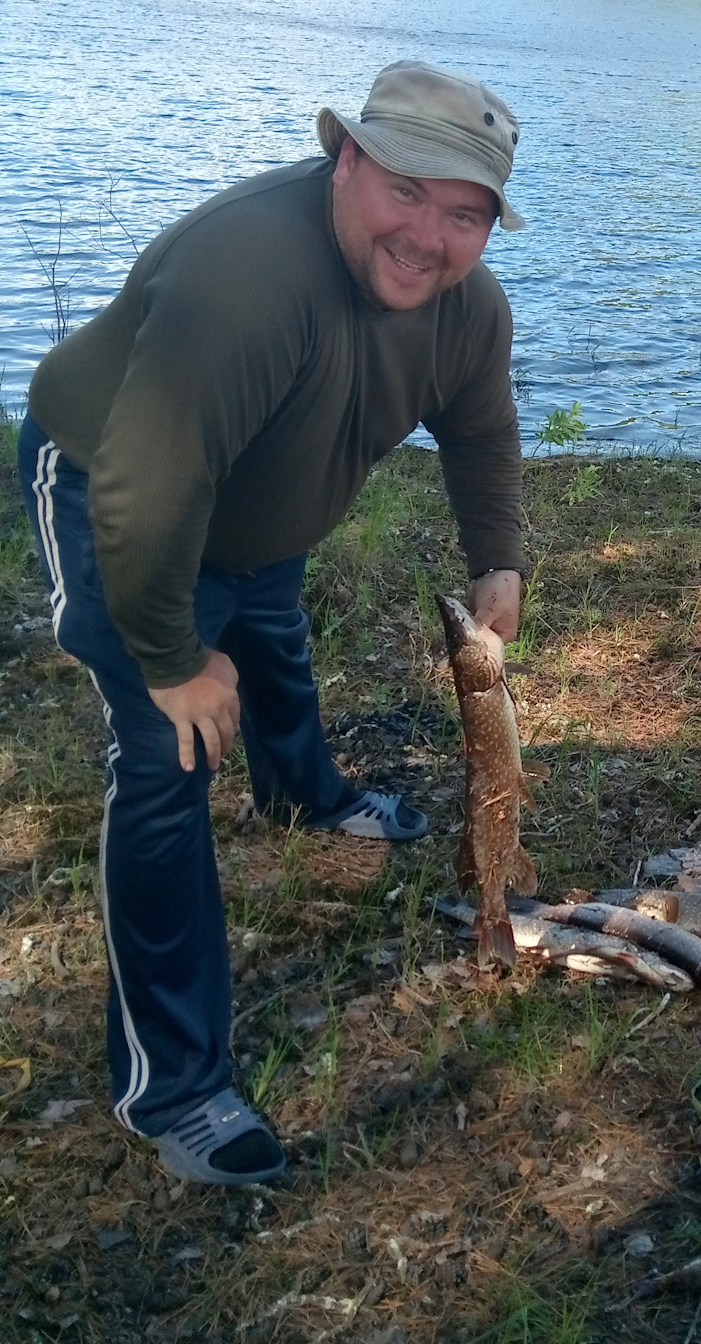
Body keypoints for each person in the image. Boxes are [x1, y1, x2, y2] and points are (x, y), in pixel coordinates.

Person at [18, 61, 528, 1187]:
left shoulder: (465, 309)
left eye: (465, 214)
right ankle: (177, 1090)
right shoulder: (248, 277)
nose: (428, 237)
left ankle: (307, 794)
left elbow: (482, 432)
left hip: (252, 512)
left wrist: (498, 557)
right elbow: (149, 491)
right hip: (114, 486)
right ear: (346, 160)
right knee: (165, 754)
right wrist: (168, 658)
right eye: (407, 191)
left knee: (273, 636)